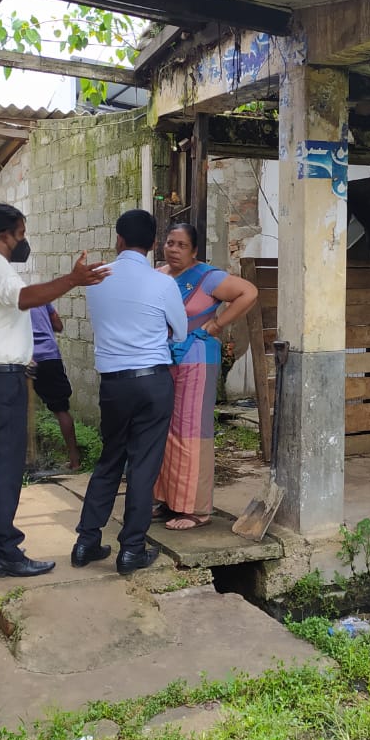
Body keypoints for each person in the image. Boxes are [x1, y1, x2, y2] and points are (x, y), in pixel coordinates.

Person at [0, 203, 108, 579]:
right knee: (4, 465)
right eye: (21, 234)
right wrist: (72, 279)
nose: (23, 241)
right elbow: (27, 298)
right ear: (5, 235)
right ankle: (6, 549)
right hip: (3, 379)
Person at [73, 209, 187, 575]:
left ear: (118, 239)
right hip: (153, 381)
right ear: (154, 243)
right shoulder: (162, 283)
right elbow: (181, 332)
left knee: (110, 459)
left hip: (114, 385)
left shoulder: (98, 278)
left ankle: (86, 541)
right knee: (143, 466)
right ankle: (131, 550)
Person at [152, 223, 258, 530]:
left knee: (191, 431)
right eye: (170, 242)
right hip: (165, 359)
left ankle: (195, 509)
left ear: (194, 250)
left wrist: (216, 326)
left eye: (181, 245)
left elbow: (248, 293)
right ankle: (168, 499)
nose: (173, 249)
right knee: (165, 429)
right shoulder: (159, 276)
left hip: (197, 360)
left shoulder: (207, 277)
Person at [29, 303, 83, 471]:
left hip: (25, 359)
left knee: (19, 410)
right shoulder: (42, 301)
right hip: (50, 357)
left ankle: (22, 462)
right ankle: (75, 460)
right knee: (61, 409)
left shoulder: (11, 298)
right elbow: (59, 325)